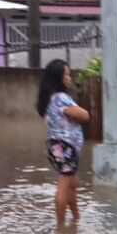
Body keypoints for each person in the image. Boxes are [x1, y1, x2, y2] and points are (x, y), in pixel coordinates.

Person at [36, 59, 90, 225]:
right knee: (64, 185)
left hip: (56, 147)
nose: (69, 78)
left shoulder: (48, 100)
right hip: (66, 148)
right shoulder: (60, 98)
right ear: (57, 78)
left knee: (72, 183)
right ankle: (61, 228)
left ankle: (76, 218)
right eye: (66, 75)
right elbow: (84, 115)